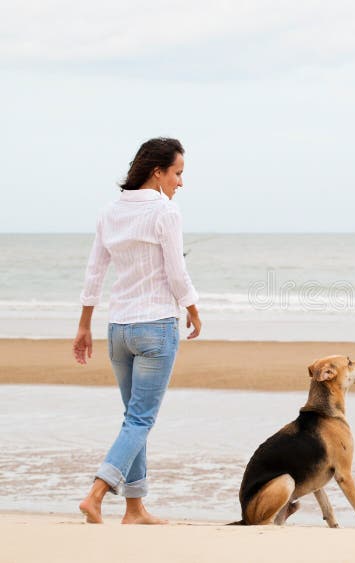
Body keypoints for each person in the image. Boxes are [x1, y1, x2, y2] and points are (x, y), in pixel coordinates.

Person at [73, 137, 201, 524]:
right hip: (156, 328)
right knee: (141, 419)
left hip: (118, 329)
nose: (181, 183)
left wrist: (83, 325)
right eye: (177, 173)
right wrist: (194, 309)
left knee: (133, 418)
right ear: (157, 172)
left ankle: (135, 508)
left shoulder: (110, 212)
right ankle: (97, 492)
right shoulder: (165, 212)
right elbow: (176, 274)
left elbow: (95, 271)